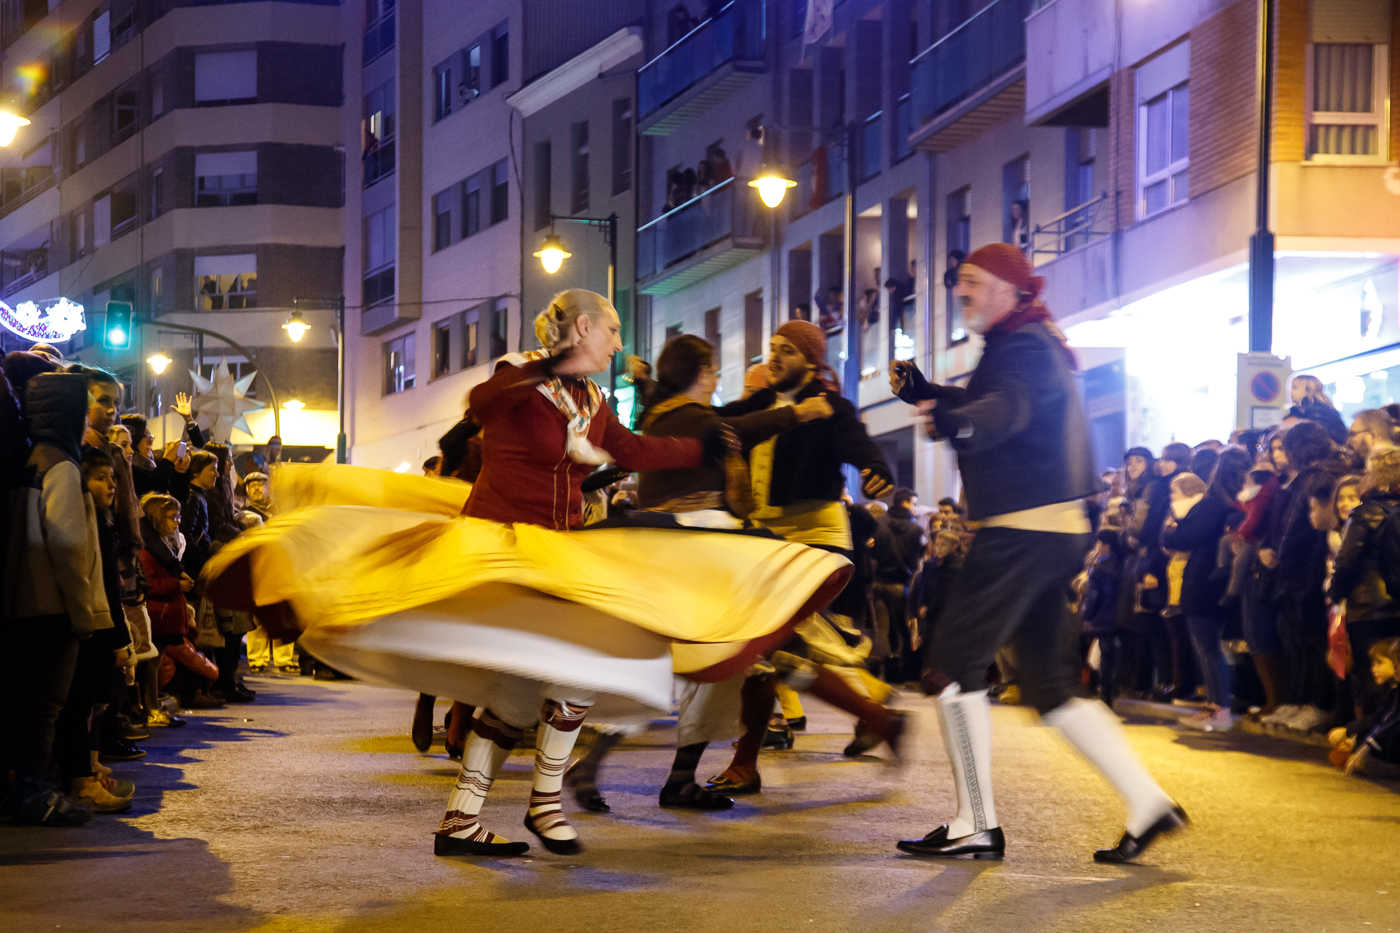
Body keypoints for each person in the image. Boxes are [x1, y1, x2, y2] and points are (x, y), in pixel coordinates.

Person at [199, 289, 852, 858]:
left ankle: (467, 818)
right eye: (611, 329)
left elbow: (631, 449)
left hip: (558, 555)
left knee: (523, 696)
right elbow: (480, 403)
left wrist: (703, 444)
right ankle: (542, 805)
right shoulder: (517, 382)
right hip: (498, 550)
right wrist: (549, 364)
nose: (618, 342)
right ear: (582, 330)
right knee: (574, 675)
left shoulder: (591, 397)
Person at [889, 242, 1183, 863]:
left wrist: (955, 420)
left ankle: (975, 822)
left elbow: (1005, 410)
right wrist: (933, 394)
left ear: (1007, 287)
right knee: (1052, 686)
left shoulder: (1022, 348)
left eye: (973, 281)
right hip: (1047, 530)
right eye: (961, 282)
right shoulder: (1027, 341)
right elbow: (1002, 404)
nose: (962, 292)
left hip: (1021, 533)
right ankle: (1148, 802)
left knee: (953, 668)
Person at [705, 320, 904, 792]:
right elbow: (713, 426)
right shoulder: (760, 403)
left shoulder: (830, 406)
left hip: (817, 537)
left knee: (766, 646)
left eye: (787, 351)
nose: (774, 357)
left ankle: (747, 763)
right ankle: (878, 718)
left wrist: (877, 470)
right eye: (772, 348)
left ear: (811, 362)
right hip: (765, 540)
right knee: (771, 649)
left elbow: (861, 446)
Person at [2, 371, 107, 826]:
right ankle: (36, 795)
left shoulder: (30, 459)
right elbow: (67, 546)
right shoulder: (62, 467)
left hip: (23, 603)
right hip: (52, 607)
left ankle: (24, 790)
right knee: (45, 707)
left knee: (26, 705)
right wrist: (83, 613)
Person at [1164, 449, 1250, 733]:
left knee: (1208, 649)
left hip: (1204, 581)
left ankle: (1218, 707)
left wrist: (1171, 528)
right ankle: (1216, 705)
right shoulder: (1241, 505)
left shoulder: (1212, 505)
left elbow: (1183, 536)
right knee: (1212, 648)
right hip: (1223, 581)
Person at [1328, 451, 1400, 720]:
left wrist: (1336, 594)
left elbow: (1346, 562)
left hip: (1369, 608)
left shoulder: (1365, 513)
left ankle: (1369, 736)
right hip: (1395, 607)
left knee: (1371, 679)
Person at [1327, 638, 1400, 777]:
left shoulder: (1389, 690)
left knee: (1363, 760)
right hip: (1382, 741)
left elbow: (1387, 723)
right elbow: (1379, 720)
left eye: (1380, 663)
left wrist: (1364, 746)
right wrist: (1355, 740)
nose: (1374, 668)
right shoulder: (1392, 689)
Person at [871, 487, 923, 682]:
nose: (915, 508)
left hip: (879, 583)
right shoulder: (915, 529)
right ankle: (900, 673)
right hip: (902, 585)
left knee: (882, 630)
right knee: (903, 630)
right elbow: (915, 561)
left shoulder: (879, 524)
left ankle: (881, 670)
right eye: (914, 503)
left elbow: (873, 553)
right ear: (905, 502)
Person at [1288, 375, 1347, 446]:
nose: (1290, 391)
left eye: (1295, 388)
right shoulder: (1299, 412)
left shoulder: (1319, 412)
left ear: (1308, 390)